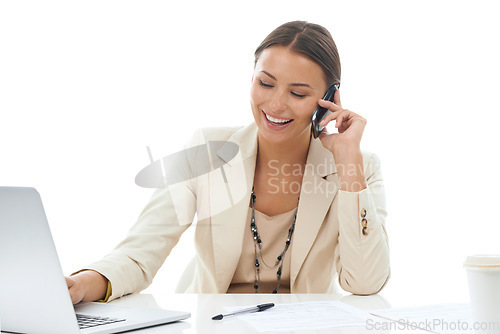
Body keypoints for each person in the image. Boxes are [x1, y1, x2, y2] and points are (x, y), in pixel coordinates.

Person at [66, 20, 390, 304]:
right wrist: (79, 286)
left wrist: (348, 163)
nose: (276, 104)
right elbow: (141, 252)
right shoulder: (208, 150)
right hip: (212, 324)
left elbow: (365, 283)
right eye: (265, 83)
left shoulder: (360, 168)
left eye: (298, 93)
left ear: (330, 99)